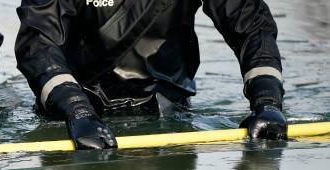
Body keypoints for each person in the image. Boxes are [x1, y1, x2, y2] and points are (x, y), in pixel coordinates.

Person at [15, 0, 288, 150]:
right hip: (75, 119)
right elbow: (38, 42)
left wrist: (267, 100)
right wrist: (76, 109)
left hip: (168, 117)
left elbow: (252, 26)